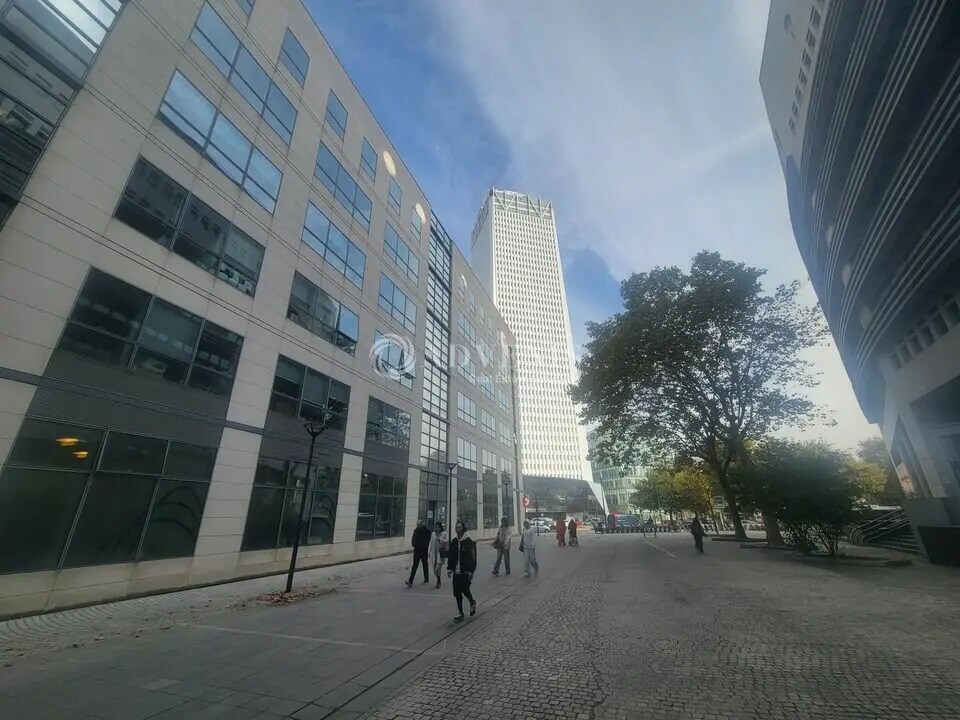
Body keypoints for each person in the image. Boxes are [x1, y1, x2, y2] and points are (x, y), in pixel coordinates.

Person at [447, 521, 477, 622]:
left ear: (463, 529)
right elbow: (451, 556)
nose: (458, 529)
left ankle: (472, 602)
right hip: (456, 571)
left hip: (465, 571)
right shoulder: (454, 541)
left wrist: (471, 571)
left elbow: (472, 557)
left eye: (460, 527)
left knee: (465, 590)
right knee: (457, 593)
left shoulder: (468, 542)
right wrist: (449, 568)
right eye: (457, 527)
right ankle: (460, 612)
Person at [405, 519, 431, 587]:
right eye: (417, 525)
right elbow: (413, 539)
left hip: (424, 550)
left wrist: (426, 547)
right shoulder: (416, 530)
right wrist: (414, 544)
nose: (418, 526)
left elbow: (429, 540)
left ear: (422, 524)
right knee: (414, 566)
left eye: (419, 525)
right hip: (417, 550)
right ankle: (411, 581)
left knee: (425, 564)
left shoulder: (427, 531)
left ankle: (426, 578)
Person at [428, 522, 448, 589]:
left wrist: (440, 539)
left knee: (438, 568)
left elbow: (446, 541)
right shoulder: (433, 534)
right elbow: (430, 543)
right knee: (434, 568)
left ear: (440, 527)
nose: (437, 529)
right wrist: (428, 552)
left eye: (438, 527)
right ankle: (438, 578)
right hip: (434, 552)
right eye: (436, 527)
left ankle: (438, 581)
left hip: (440, 552)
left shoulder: (444, 533)